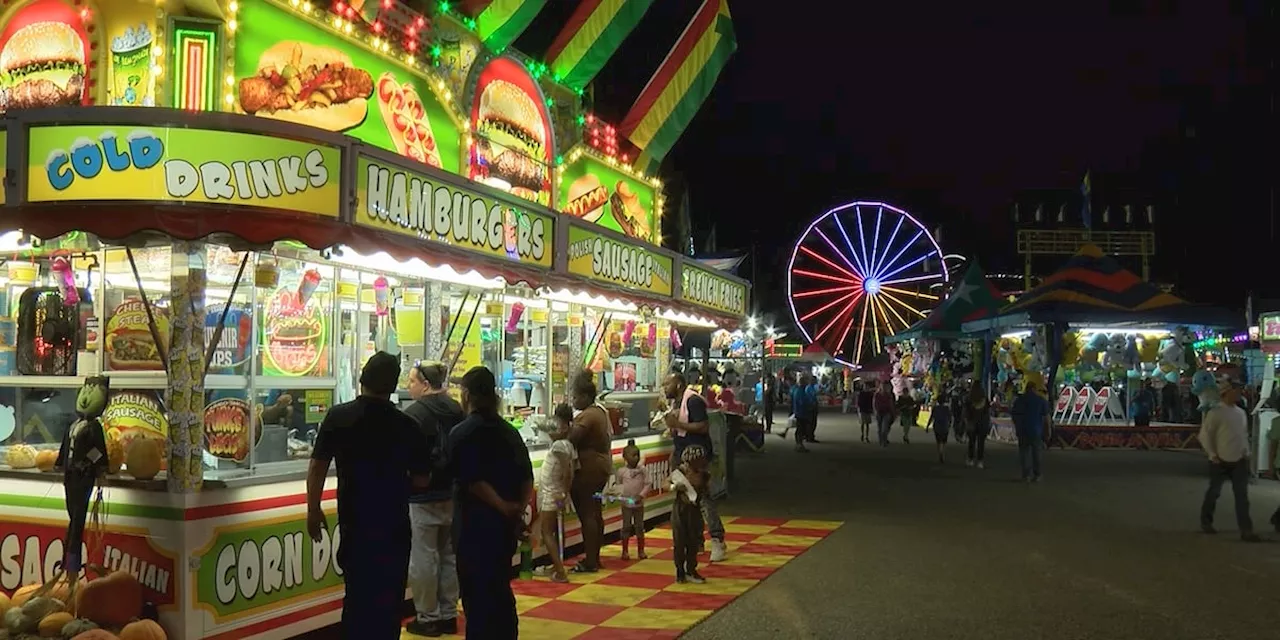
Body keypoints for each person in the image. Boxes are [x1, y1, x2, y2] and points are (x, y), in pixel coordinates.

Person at [307, 352, 431, 639]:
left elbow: (317, 467)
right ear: (392, 386)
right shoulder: (407, 425)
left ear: (362, 379)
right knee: (389, 604)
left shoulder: (339, 416)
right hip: (394, 528)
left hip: (355, 525)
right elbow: (423, 480)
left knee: (357, 599)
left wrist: (313, 510)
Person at [448, 366, 535, 638]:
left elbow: (472, 481)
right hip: (503, 528)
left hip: (473, 527)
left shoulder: (462, 433)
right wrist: (516, 511)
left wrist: (501, 505)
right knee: (499, 588)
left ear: (466, 395)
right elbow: (526, 478)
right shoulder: (509, 432)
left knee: (476, 599)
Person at [402, 361, 466, 637]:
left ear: (426, 384)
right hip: (453, 493)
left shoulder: (414, 413)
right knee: (449, 555)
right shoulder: (457, 410)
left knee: (424, 558)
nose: (408, 386)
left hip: (422, 495)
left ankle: (428, 617)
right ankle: (449, 614)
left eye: (412, 381)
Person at [662, 372, 727, 562]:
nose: (665, 387)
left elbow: (703, 427)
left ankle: (717, 539)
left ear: (679, 384)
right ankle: (696, 540)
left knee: (703, 499)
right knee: (688, 500)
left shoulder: (693, 401)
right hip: (682, 456)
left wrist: (678, 424)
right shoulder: (677, 402)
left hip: (697, 458)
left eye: (668, 383)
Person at [1198, 381, 1261, 542]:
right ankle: (1206, 521)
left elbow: (1242, 434)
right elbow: (1205, 436)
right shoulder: (1215, 413)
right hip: (1219, 460)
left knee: (1242, 497)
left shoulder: (1240, 413)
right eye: (1236, 391)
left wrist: (1246, 452)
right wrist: (1213, 455)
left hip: (1238, 459)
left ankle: (1246, 529)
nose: (1239, 394)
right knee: (1214, 492)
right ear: (1226, 393)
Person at [568, 370, 614, 572]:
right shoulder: (599, 412)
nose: (574, 400)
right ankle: (595, 556)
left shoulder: (588, 416)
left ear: (585, 396)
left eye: (576, 396)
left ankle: (591, 560)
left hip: (589, 469)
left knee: (587, 514)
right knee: (595, 513)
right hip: (600, 466)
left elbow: (571, 438)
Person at [533, 404, 576, 583]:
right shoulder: (567, 444)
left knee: (547, 532)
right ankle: (557, 563)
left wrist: (564, 492)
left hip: (552, 494)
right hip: (557, 493)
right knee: (558, 529)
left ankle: (560, 570)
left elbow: (567, 471)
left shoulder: (559, 446)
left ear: (565, 426)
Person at [669, 444, 710, 584]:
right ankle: (680, 571)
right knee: (679, 541)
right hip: (680, 510)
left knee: (693, 541)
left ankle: (691, 570)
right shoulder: (681, 471)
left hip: (694, 510)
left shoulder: (703, 474)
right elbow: (666, 482)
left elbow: (704, 490)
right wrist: (674, 487)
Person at [1011, 378, 1051, 482]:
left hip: (1022, 430)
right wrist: (1048, 430)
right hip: (1036, 430)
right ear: (1034, 389)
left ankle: (1026, 475)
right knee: (1036, 453)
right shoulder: (1041, 400)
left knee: (1024, 453)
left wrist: (1017, 426)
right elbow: (1046, 417)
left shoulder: (1019, 400)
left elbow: (1014, 415)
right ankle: (1037, 474)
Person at [616, 439, 650, 560]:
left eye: (638, 455)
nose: (636, 458)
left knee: (639, 526)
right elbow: (619, 485)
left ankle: (641, 550)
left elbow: (648, 484)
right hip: (626, 504)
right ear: (625, 457)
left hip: (639, 504)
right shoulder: (621, 471)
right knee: (626, 526)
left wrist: (641, 495)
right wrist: (619, 495)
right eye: (633, 455)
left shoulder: (643, 470)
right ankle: (624, 551)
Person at [964, 384, 991, 468]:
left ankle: (971, 459)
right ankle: (980, 461)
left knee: (971, 442)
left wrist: (966, 422)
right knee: (981, 443)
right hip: (982, 423)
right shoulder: (985, 400)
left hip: (972, 422)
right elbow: (988, 413)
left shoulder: (969, 399)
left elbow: (965, 412)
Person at [788, 374, 817, 452]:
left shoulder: (798, 390)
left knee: (800, 429)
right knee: (801, 429)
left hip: (799, 412)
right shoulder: (800, 391)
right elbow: (802, 402)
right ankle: (799, 445)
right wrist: (810, 405)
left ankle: (799, 445)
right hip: (801, 413)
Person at [926, 392, 953, 463]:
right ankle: (942, 452)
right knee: (944, 441)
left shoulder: (935, 408)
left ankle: (940, 452)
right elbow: (950, 417)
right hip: (945, 426)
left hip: (937, 426)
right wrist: (950, 424)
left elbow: (931, 417)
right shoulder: (946, 408)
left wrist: (927, 426)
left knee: (938, 441)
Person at [873, 381, 897, 447]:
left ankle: (884, 441)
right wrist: (875, 411)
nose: (883, 387)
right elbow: (874, 403)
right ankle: (881, 440)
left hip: (887, 412)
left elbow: (891, 404)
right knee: (879, 428)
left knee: (884, 428)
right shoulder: (877, 394)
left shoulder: (889, 395)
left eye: (885, 386)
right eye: (882, 386)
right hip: (879, 412)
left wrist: (893, 413)